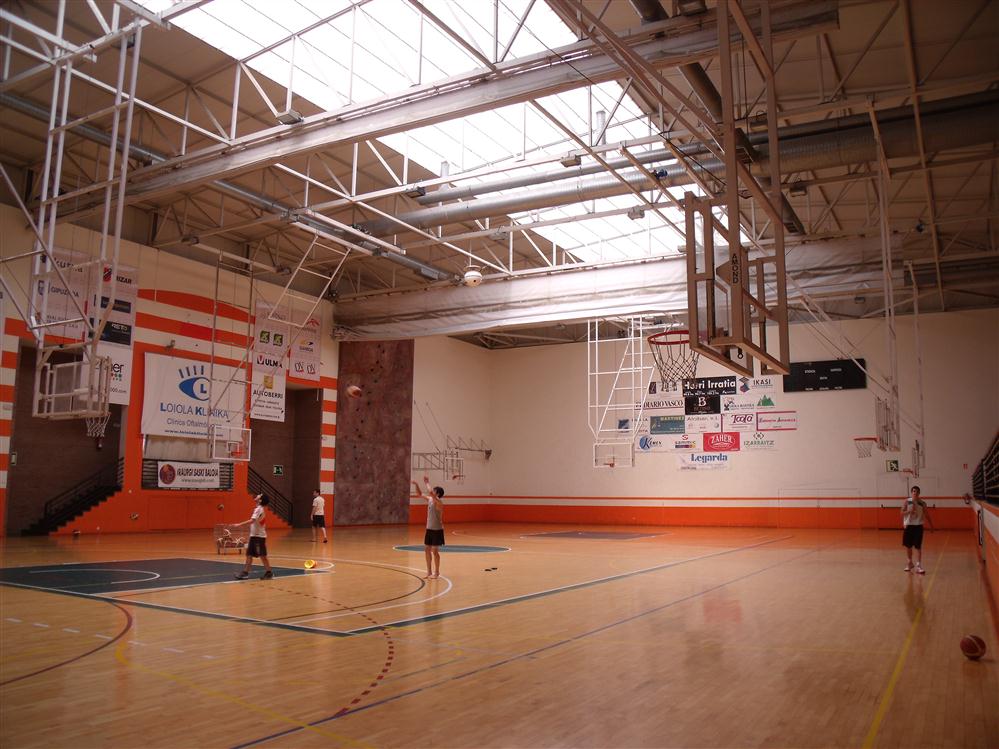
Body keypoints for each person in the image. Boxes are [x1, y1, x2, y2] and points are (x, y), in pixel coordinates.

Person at [234, 493, 273, 580]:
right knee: (249, 554)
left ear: (260, 500)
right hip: (254, 536)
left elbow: (252, 521)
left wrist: (239, 524)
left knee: (262, 555)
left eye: (260, 495)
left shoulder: (259, 509)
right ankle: (245, 573)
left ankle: (269, 572)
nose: (257, 495)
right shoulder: (258, 509)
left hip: (259, 537)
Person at [413, 476, 444, 579]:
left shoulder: (439, 502)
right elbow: (419, 494)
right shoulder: (430, 500)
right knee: (427, 550)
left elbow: (430, 492)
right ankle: (429, 572)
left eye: (434, 491)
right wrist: (416, 485)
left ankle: (437, 572)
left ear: (437, 494)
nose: (432, 492)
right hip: (429, 529)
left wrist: (427, 482)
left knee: (435, 551)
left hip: (437, 530)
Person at [901, 485, 932, 574]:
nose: (915, 493)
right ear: (911, 492)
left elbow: (927, 514)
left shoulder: (922, 503)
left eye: (917, 491)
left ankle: (918, 566)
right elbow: (901, 512)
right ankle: (909, 563)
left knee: (918, 547)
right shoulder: (907, 501)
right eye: (914, 491)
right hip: (909, 526)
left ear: (919, 493)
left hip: (918, 526)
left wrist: (931, 526)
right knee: (908, 546)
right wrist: (909, 511)